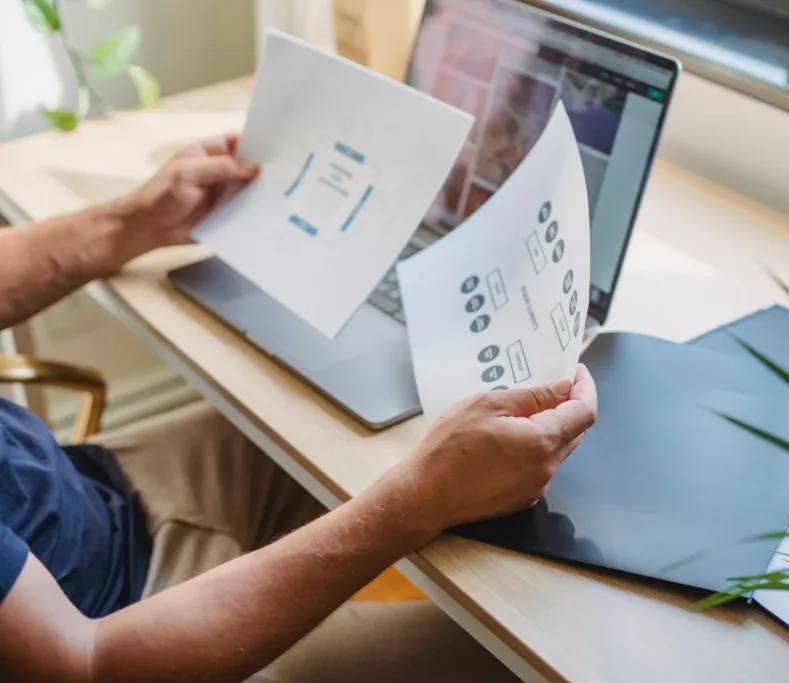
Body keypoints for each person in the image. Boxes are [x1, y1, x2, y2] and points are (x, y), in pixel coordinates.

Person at [0, 134, 598, 682]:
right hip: (119, 634)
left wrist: (127, 222)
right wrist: (415, 500)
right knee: (526, 652)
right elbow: (86, 665)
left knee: (359, 424)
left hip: (78, 496)